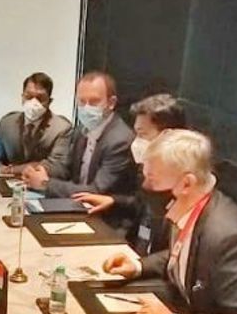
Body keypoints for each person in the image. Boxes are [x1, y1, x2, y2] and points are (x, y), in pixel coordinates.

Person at [100, 129, 237, 314]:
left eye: (152, 179)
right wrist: (138, 266)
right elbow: (181, 253)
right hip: (193, 312)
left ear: (186, 184)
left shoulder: (228, 238)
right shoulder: (190, 206)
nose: (145, 186)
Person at [73, 92, 187, 252]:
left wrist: (141, 264)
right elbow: (142, 203)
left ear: (167, 136)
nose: (136, 141)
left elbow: (176, 253)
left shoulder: (185, 186)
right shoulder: (145, 168)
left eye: (142, 134)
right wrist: (113, 201)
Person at [21, 71, 138, 214]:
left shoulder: (120, 140)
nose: (86, 108)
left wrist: (45, 184)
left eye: (94, 102)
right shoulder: (82, 130)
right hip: (76, 206)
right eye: (82, 102)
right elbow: (67, 169)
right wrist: (42, 171)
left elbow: (96, 192)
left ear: (111, 103)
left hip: (106, 217)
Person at [0, 72, 72, 179]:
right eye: (28, 96)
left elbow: (56, 167)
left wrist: (12, 170)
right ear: (22, 97)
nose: (33, 102)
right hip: (8, 186)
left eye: (40, 98)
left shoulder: (62, 128)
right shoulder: (7, 123)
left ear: (49, 101)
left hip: (42, 187)